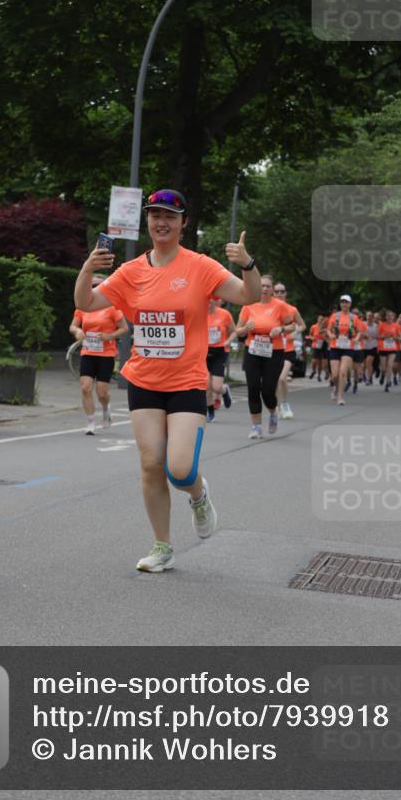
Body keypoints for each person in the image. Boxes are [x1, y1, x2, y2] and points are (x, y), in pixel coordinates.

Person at [74, 189, 260, 573]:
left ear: (183, 223)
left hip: (187, 380)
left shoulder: (200, 266)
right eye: (155, 215)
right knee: (150, 464)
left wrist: (248, 264)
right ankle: (162, 546)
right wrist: (87, 269)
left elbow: (249, 295)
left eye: (170, 217)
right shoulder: (131, 271)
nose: (161, 222)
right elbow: (86, 303)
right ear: (147, 220)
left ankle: (199, 495)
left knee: (180, 469)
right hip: (144, 379)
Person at [235, 275, 297, 438]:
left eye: (268, 286)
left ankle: (273, 413)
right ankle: (256, 426)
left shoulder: (280, 306)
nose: (264, 289)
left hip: (274, 352)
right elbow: (237, 330)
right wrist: (246, 328)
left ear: (272, 290)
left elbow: (292, 326)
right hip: (252, 351)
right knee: (253, 388)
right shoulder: (248, 305)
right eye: (262, 286)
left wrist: (281, 329)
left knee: (268, 390)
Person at [69, 276, 128, 433]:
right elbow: (72, 326)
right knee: (85, 388)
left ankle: (106, 408)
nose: (93, 289)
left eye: (96, 286)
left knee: (102, 392)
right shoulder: (82, 307)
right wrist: (77, 331)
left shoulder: (112, 307)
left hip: (106, 354)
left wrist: (110, 336)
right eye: (91, 286)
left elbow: (124, 328)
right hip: (88, 352)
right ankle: (90, 422)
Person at [272, 282, 306, 419]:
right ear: (273, 293)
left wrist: (295, 332)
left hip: (288, 349)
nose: (280, 294)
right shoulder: (269, 309)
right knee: (274, 380)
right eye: (277, 292)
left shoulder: (292, 310)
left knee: (282, 378)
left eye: (282, 291)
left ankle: (285, 404)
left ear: (286, 293)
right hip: (274, 349)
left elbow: (302, 325)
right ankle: (275, 405)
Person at [324, 295, 365, 406]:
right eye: (342, 302)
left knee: (342, 373)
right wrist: (331, 335)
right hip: (335, 346)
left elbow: (359, 331)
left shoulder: (354, 318)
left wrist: (356, 338)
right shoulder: (335, 316)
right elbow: (328, 330)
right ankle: (337, 388)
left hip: (348, 347)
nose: (344, 304)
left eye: (346, 302)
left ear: (350, 304)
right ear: (340, 304)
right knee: (334, 375)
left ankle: (340, 397)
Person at [205, 297, 236, 422]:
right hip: (204, 352)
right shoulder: (199, 313)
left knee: (216, 387)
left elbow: (234, 331)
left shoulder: (224, 314)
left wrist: (228, 341)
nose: (208, 304)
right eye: (206, 301)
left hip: (220, 352)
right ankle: (210, 412)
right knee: (206, 385)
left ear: (215, 301)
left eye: (211, 301)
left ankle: (225, 390)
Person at [377, 309, 401, 392]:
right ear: (385, 317)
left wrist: (395, 338)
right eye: (388, 315)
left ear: (394, 317)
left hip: (392, 348)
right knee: (383, 367)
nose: (390, 317)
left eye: (391, 316)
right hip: (383, 347)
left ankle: (388, 382)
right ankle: (383, 374)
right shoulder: (381, 325)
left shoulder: (396, 326)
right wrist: (384, 336)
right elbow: (377, 336)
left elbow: (400, 338)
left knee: (390, 365)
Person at [308, 314, 328, 382]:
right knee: (314, 361)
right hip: (315, 345)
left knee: (320, 362)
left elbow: (327, 336)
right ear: (317, 319)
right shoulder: (313, 326)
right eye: (319, 319)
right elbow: (310, 335)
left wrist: (326, 338)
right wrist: (312, 338)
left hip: (323, 345)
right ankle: (313, 371)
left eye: (322, 319)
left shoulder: (325, 328)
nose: (320, 320)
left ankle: (319, 375)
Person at [363, 310, 379, 385]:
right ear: (366, 317)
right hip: (364, 346)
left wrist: (374, 337)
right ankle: (365, 375)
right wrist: (364, 336)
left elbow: (379, 335)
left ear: (372, 317)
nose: (369, 317)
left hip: (373, 346)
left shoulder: (376, 326)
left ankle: (368, 379)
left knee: (369, 362)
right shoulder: (363, 324)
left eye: (370, 316)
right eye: (367, 316)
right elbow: (360, 333)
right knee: (365, 364)